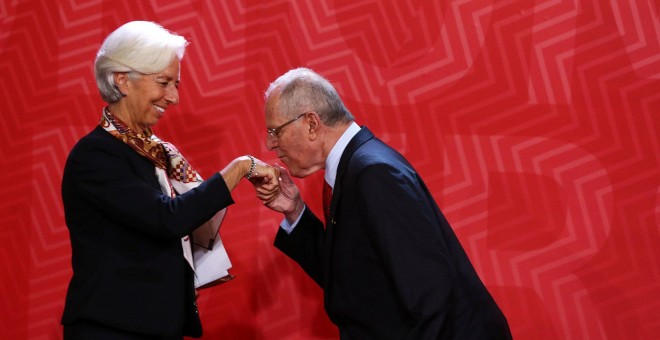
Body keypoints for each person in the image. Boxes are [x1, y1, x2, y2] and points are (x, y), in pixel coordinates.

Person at [60, 21, 278, 339]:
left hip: (156, 327)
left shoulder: (156, 153)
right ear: (122, 81)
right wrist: (239, 167)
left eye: (175, 84)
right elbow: (167, 219)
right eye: (164, 83)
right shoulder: (96, 156)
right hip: (112, 329)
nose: (173, 97)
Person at [260, 67, 513, 339]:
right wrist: (295, 211)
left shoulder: (373, 174)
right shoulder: (354, 168)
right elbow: (355, 282)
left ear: (311, 123)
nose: (270, 144)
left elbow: (431, 292)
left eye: (276, 131)